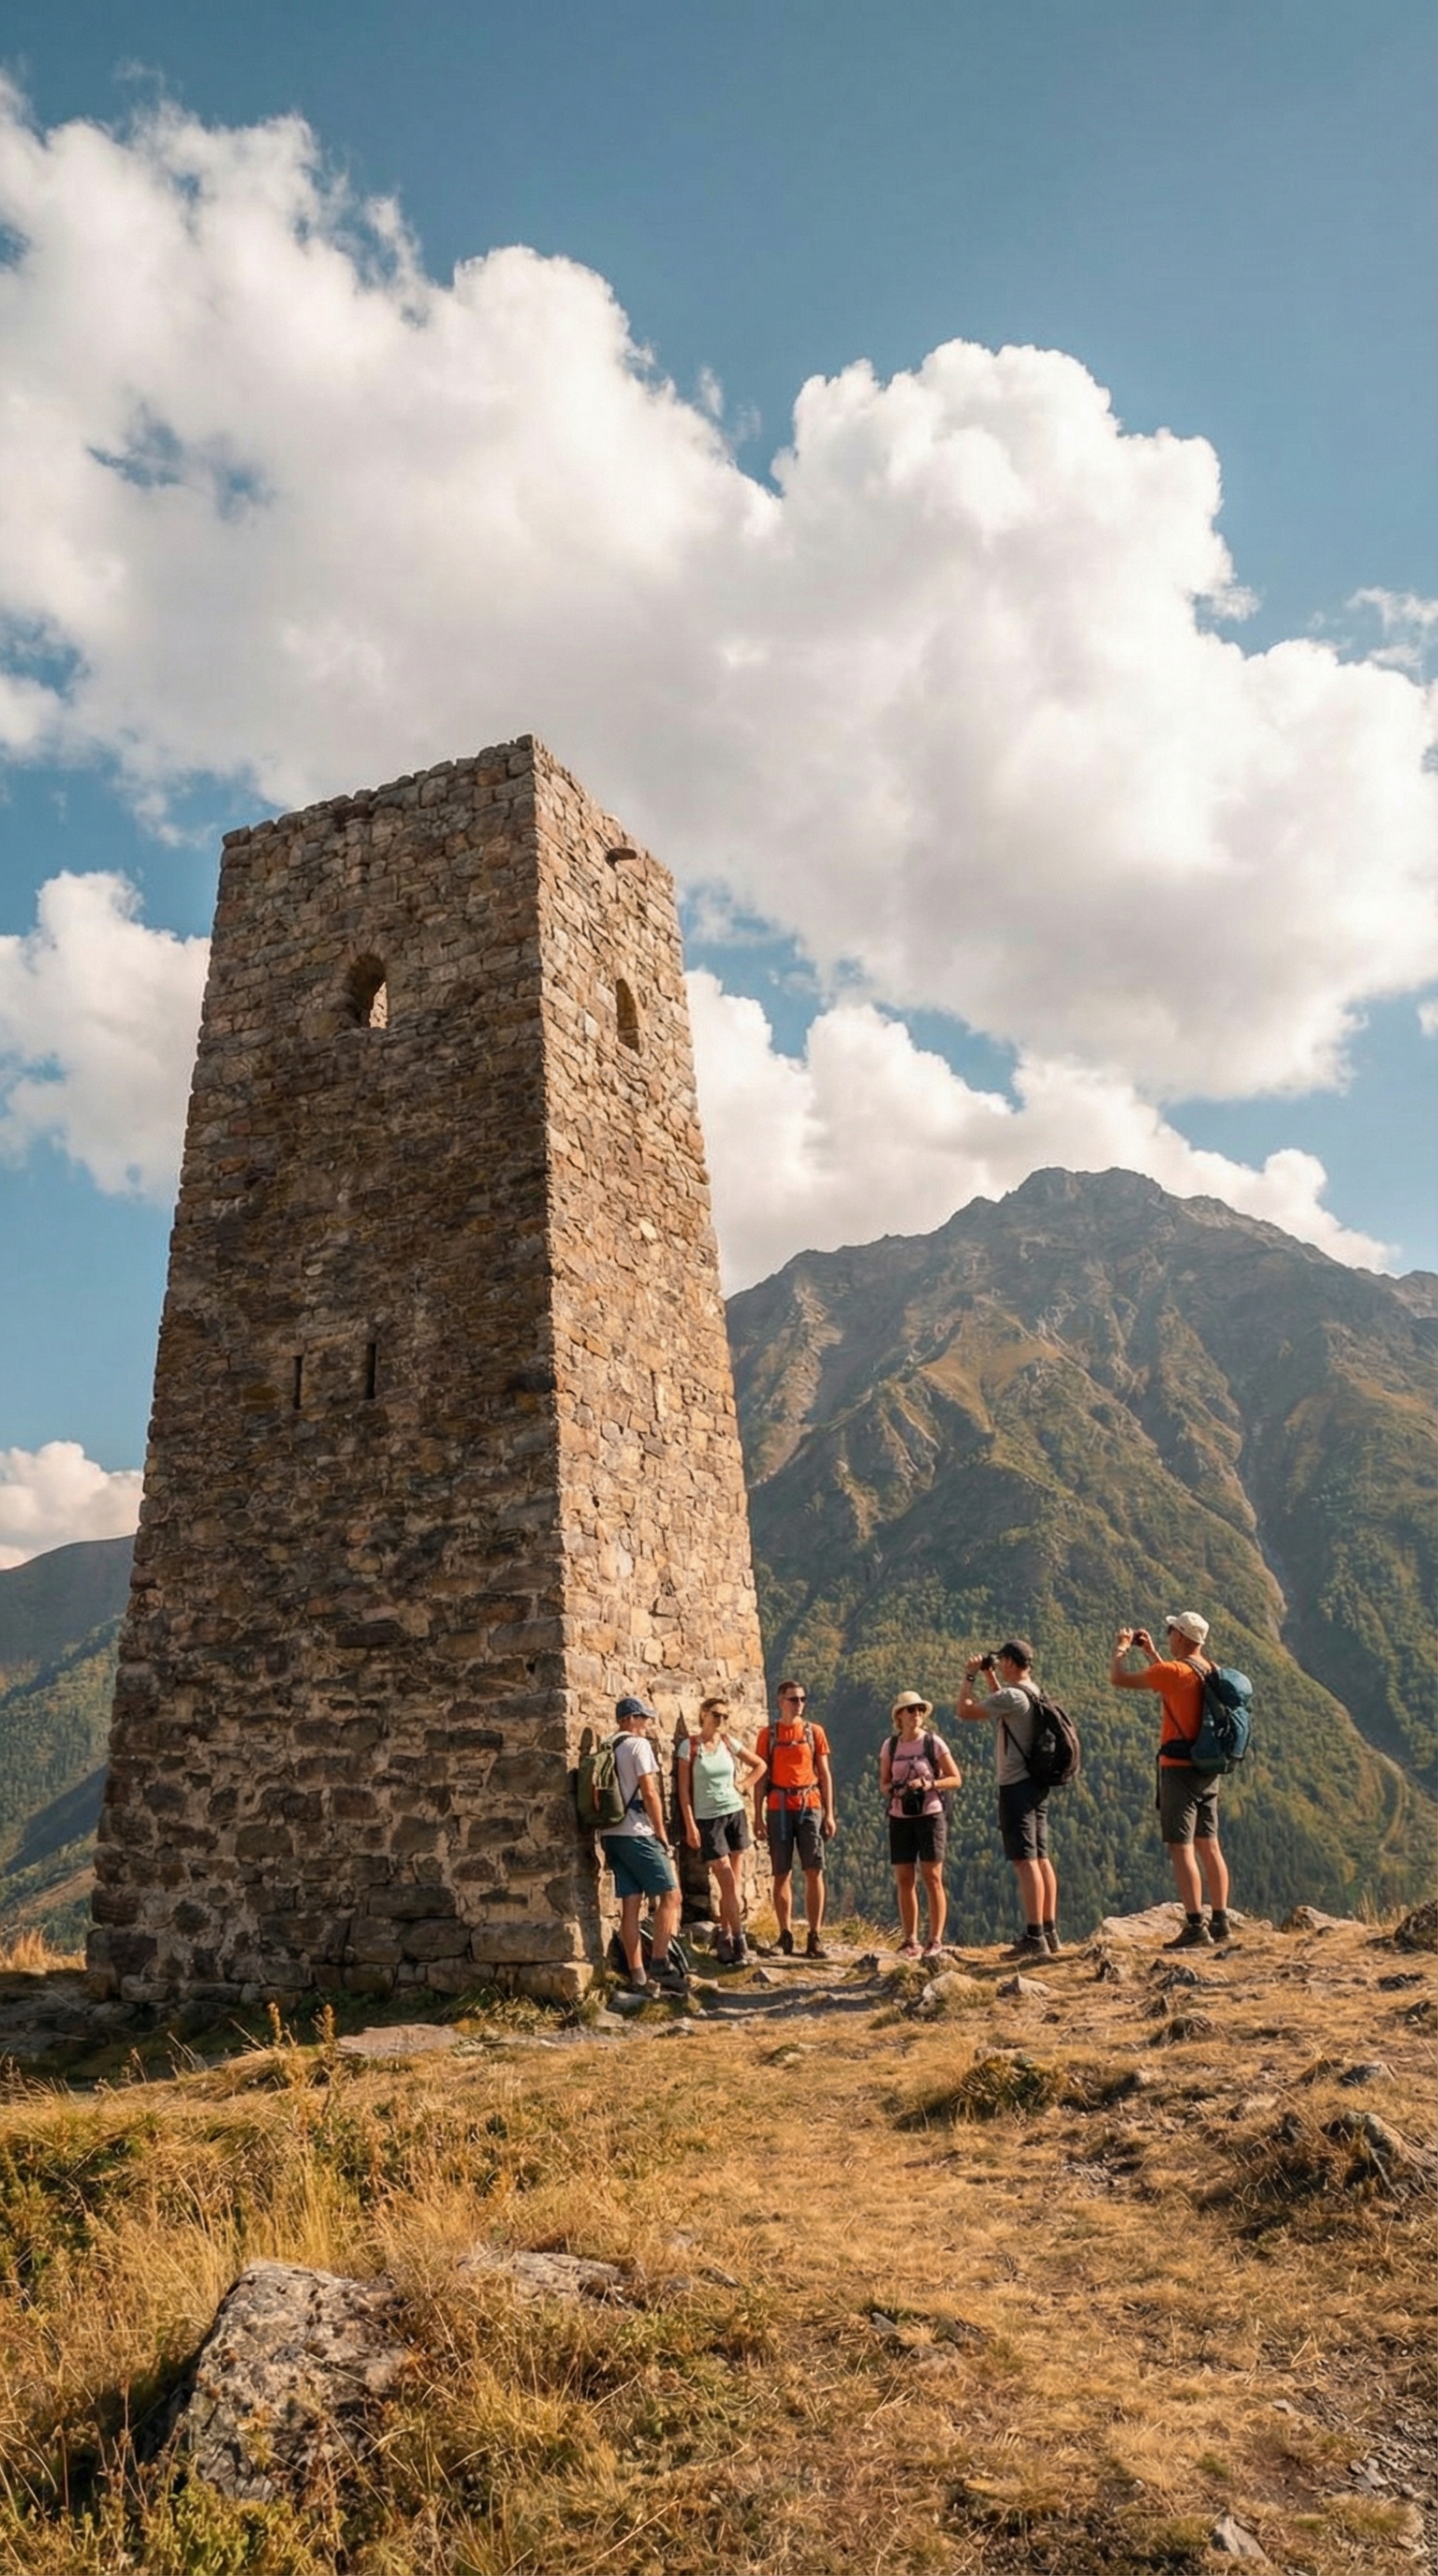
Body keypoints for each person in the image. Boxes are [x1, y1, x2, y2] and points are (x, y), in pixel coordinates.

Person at [1109, 1613, 1232, 1948]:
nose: (1167, 1636)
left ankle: (1195, 1925)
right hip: (1208, 1766)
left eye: (1170, 1631)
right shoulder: (1209, 1668)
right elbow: (1176, 1685)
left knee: (1181, 1848)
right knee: (1210, 1844)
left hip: (1178, 1767)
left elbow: (1119, 1679)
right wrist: (1151, 1654)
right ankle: (1220, 1921)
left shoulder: (1173, 1672)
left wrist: (1121, 1648)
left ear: (1180, 1636)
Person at [956, 1638, 1061, 1962]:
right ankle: (1049, 1931)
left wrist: (970, 1676)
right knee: (1041, 1857)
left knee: (1024, 1859)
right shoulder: (1033, 1690)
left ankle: (1033, 1936)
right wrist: (991, 1678)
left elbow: (965, 1711)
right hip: (1036, 1783)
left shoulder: (1013, 1696)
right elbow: (1002, 1703)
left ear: (1013, 1663)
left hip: (1015, 1784)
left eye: (1002, 1662)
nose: (999, 1665)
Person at [599, 1694, 687, 1992]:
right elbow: (649, 1793)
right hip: (637, 1832)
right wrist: (660, 1831)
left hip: (611, 1835)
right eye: (644, 1718)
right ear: (631, 1719)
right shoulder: (638, 1746)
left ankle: (638, 1976)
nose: (648, 1724)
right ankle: (660, 1964)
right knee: (671, 1896)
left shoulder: (607, 1746)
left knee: (631, 1905)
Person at [675, 1696, 765, 1966]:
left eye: (725, 1716)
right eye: (716, 1714)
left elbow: (760, 1765)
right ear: (703, 1714)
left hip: (734, 1814)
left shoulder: (728, 1743)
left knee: (732, 1886)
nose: (721, 1720)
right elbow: (684, 1792)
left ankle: (725, 1936)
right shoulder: (689, 1747)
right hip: (708, 1820)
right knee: (727, 1881)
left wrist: (745, 1784)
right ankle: (740, 1943)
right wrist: (690, 1825)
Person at [753, 1679, 837, 1958]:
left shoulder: (815, 1732)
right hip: (778, 1807)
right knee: (781, 1873)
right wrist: (757, 1816)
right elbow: (761, 1776)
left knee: (814, 1870)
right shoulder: (768, 1735)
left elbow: (824, 1775)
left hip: (810, 1805)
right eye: (793, 1699)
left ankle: (815, 1936)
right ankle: (785, 1935)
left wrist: (829, 1813)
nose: (799, 1703)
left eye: (802, 1698)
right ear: (780, 1701)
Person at [879, 1691, 962, 1958]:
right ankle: (910, 1940)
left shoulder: (933, 1743)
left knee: (933, 1878)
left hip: (930, 1815)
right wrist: (896, 1790)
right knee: (904, 1879)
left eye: (919, 1710)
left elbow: (955, 1778)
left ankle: (935, 1939)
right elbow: (883, 1783)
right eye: (910, 1710)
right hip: (900, 1816)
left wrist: (929, 1785)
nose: (916, 1714)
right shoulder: (889, 1747)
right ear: (899, 1716)